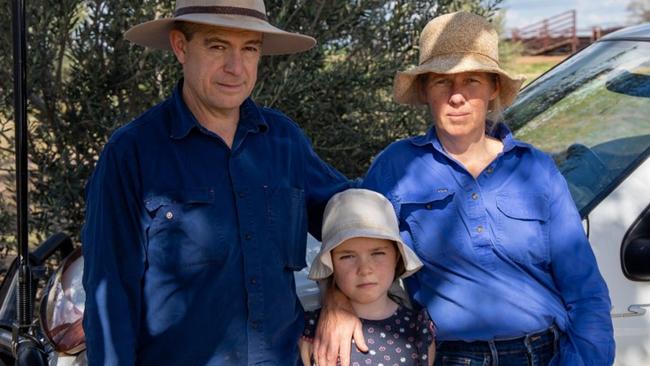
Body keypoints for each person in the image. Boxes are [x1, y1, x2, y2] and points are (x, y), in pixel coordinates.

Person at [314, 11, 615, 366]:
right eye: (442, 82)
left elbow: (586, 291)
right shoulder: (397, 167)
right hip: (450, 357)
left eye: (472, 81)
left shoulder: (535, 169)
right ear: (425, 90)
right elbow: (351, 247)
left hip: (544, 354)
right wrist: (335, 301)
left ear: (493, 90)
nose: (457, 96)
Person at [81, 1, 350, 364]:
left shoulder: (284, 141)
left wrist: (338, 297)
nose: (235, 67)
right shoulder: (131, 153)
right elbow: (110, 297)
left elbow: (350, 221)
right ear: (180, 46)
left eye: (249, 48)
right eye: (217, 46)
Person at [299, 189, 434, 365]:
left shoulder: (418, 328)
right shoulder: (310, 329)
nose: (364, 269)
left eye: (378, 253)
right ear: (330, 264)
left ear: (397, 257)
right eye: (347, 256)